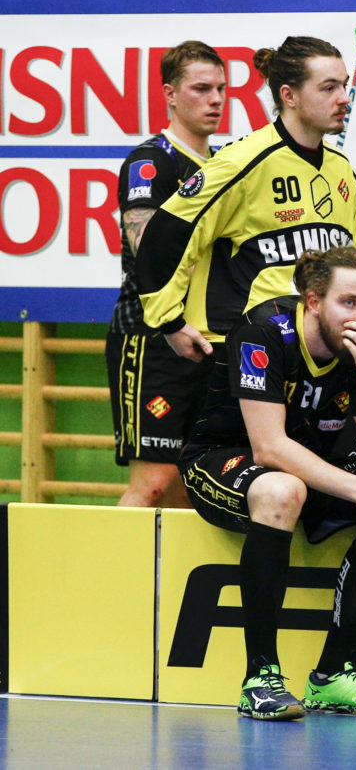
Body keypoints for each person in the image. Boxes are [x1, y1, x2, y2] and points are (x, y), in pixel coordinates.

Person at [180, 247, 356, 720]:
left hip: (308, 461)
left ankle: (333, 675)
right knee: (282, 490)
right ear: (313, 302)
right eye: (349, 302)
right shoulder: (262, 333)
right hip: (224, 457)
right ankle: (259, 679)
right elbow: (269, 448)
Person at [136, 36, 356, 363]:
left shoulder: (342, 169)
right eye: (329, 88)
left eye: (343, 85)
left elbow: (350, 266)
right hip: (242, 352)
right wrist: (169, 322)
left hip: (316, 353)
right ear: (289, 95)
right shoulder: (241, 162)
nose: (343, 98)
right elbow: (164, 234)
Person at [107, 41, 226, 508]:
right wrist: (173, 320)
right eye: (202, 88)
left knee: (191, 483)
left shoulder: (226, 166)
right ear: (170, 94)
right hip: (151, 334)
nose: (215, 99)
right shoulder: (151, 161)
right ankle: (112, 561)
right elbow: (149, 252)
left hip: (211, 335)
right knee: (154, 482)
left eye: (221, 89)